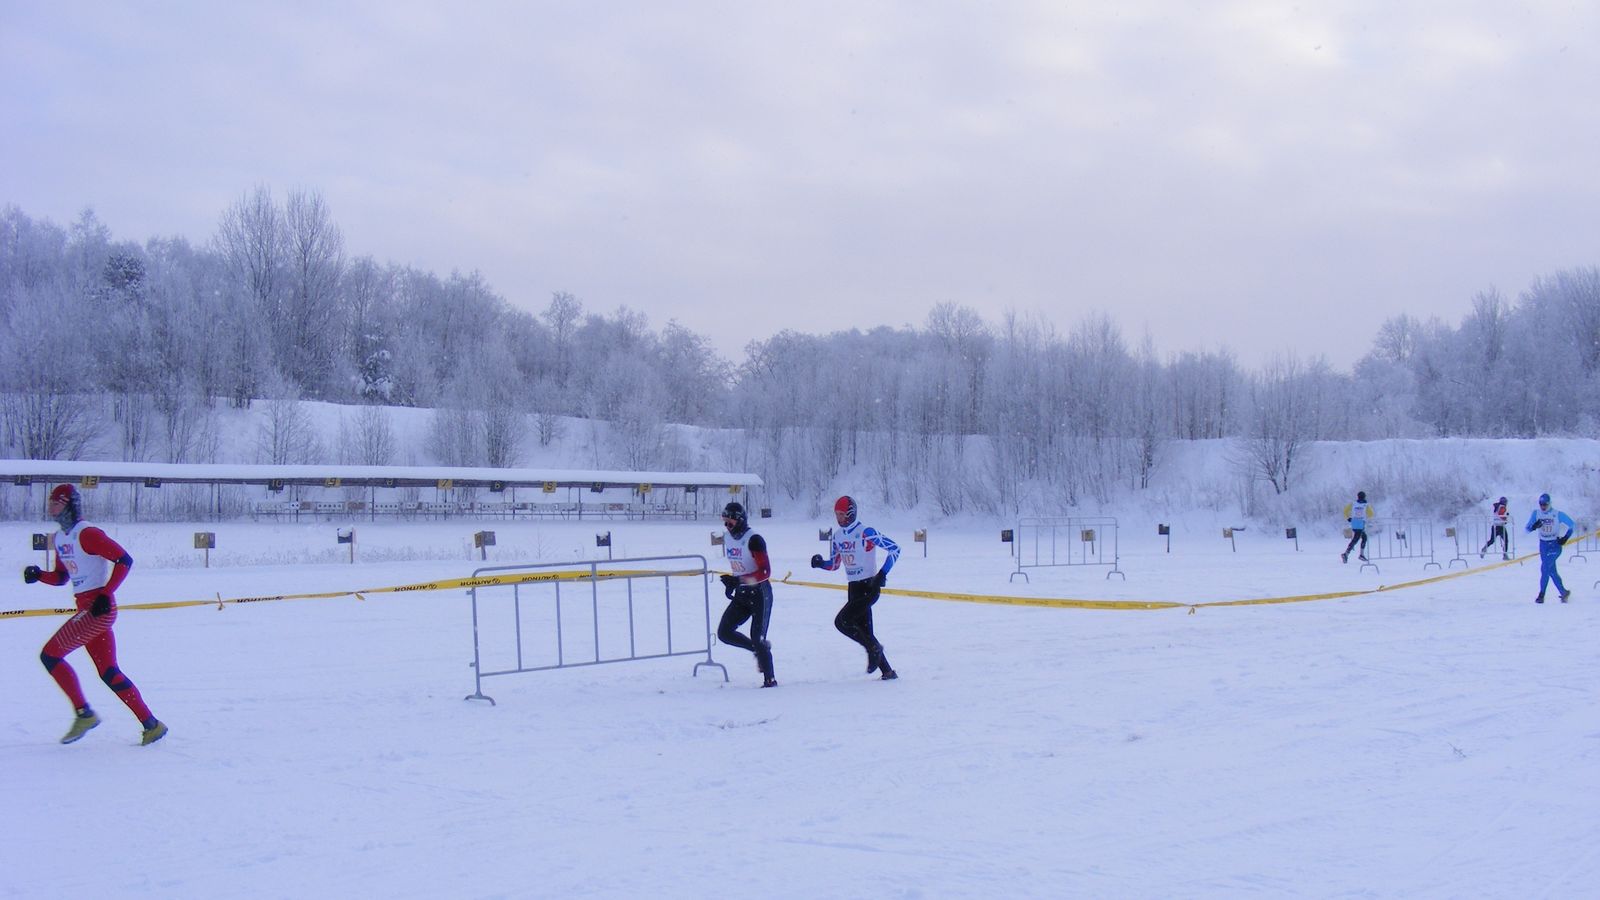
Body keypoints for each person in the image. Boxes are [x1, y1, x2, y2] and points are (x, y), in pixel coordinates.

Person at [23, 484, 167, 745]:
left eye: (56, 502)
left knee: (50, 655)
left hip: (97, 610)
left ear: (69, 505)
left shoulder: (87, 534)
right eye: (50, 503)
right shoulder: (60, 538)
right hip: (87, 610)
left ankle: (84, 714)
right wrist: (39, 575)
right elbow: (61, 577)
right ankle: (151, 725)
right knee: (109, 672)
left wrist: (106, 593)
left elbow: (124, 560)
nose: (51, 507)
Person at [810, 495, 900, 680]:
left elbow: (895, 549)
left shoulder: (866, 532)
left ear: (851, 513)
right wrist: (820, 563)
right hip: (853, 588)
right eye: (836, 514)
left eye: (842, 514)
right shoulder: (838, 536)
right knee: (865, 632)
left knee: (842, 621)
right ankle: (887, 671)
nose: (838, 518)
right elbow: (835, 564)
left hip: (869, 586)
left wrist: (882, 573)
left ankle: (873, 649)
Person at [715, 501, 776, 687]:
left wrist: (739, 580)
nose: (727, 526)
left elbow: (765, 571)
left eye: (730, 522)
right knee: (724, 633)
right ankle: (758, 650)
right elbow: (739, 566)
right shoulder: (728, 538)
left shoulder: (754, 539)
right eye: (724, 522)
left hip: (760, 593)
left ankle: (770, 680)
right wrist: (732, 582)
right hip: (743, 593)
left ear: (740, 520)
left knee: (758, 637)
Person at [1524, 492, 1575, 604]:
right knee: (1551, 570)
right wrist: (1533, 527)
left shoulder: (1557, 514)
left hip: (1555, 545)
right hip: (1543, 545)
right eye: (1541, 504)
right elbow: (1526, 529)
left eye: (1545, 505)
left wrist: (1565, 537)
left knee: (1545, 568)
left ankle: (1541, 595)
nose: (1543, 507)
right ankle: (1564, 592)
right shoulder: (1536, 513)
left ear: (1549, 503)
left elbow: (1572, 525)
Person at [1341, 490, 1374, 563]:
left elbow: (1345, 511)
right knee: (1356, 539)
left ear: (1358, 497)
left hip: (1354, 523)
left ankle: (1360, 554)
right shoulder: (1366, 505)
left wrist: (1348, 518)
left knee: (1364, 537)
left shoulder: (1353, 504)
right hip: (1361, 523)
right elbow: (1371, 514)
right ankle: (1346, 554)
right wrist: (1365, 516)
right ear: (1364, 497)